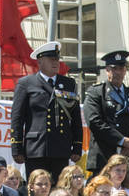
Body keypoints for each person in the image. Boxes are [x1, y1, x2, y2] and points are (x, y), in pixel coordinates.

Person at [10, 40, 82, 181]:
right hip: (36, 148)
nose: (55, 63)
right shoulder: (26, 83)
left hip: (61, 147)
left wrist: (77, 146)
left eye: (57, 59)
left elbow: (75, 117)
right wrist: (16, 147)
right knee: (37, 187)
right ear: (40, 61)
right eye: (51, 59)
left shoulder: (68, 83)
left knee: (59, 189)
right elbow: (17, 118)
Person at [82, 50, 129, 177]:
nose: (118, 72)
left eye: (121, 68)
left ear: (125, 70)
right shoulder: (96, 92)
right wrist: (121, 140)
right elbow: (94, 121)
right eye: (114, 69)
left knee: (127, 195)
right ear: (107, 70)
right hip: (104, 157)